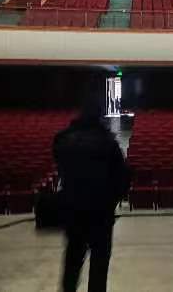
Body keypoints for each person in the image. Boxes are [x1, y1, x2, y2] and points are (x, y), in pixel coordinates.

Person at [53, 104, 131, 292]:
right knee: (99, 264)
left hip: (73, 210)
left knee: (72, 260)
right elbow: (122, 178)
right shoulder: (108, 142)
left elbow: (60, 167)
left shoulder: (63, 140)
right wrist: (111, 202)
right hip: (101, 213)